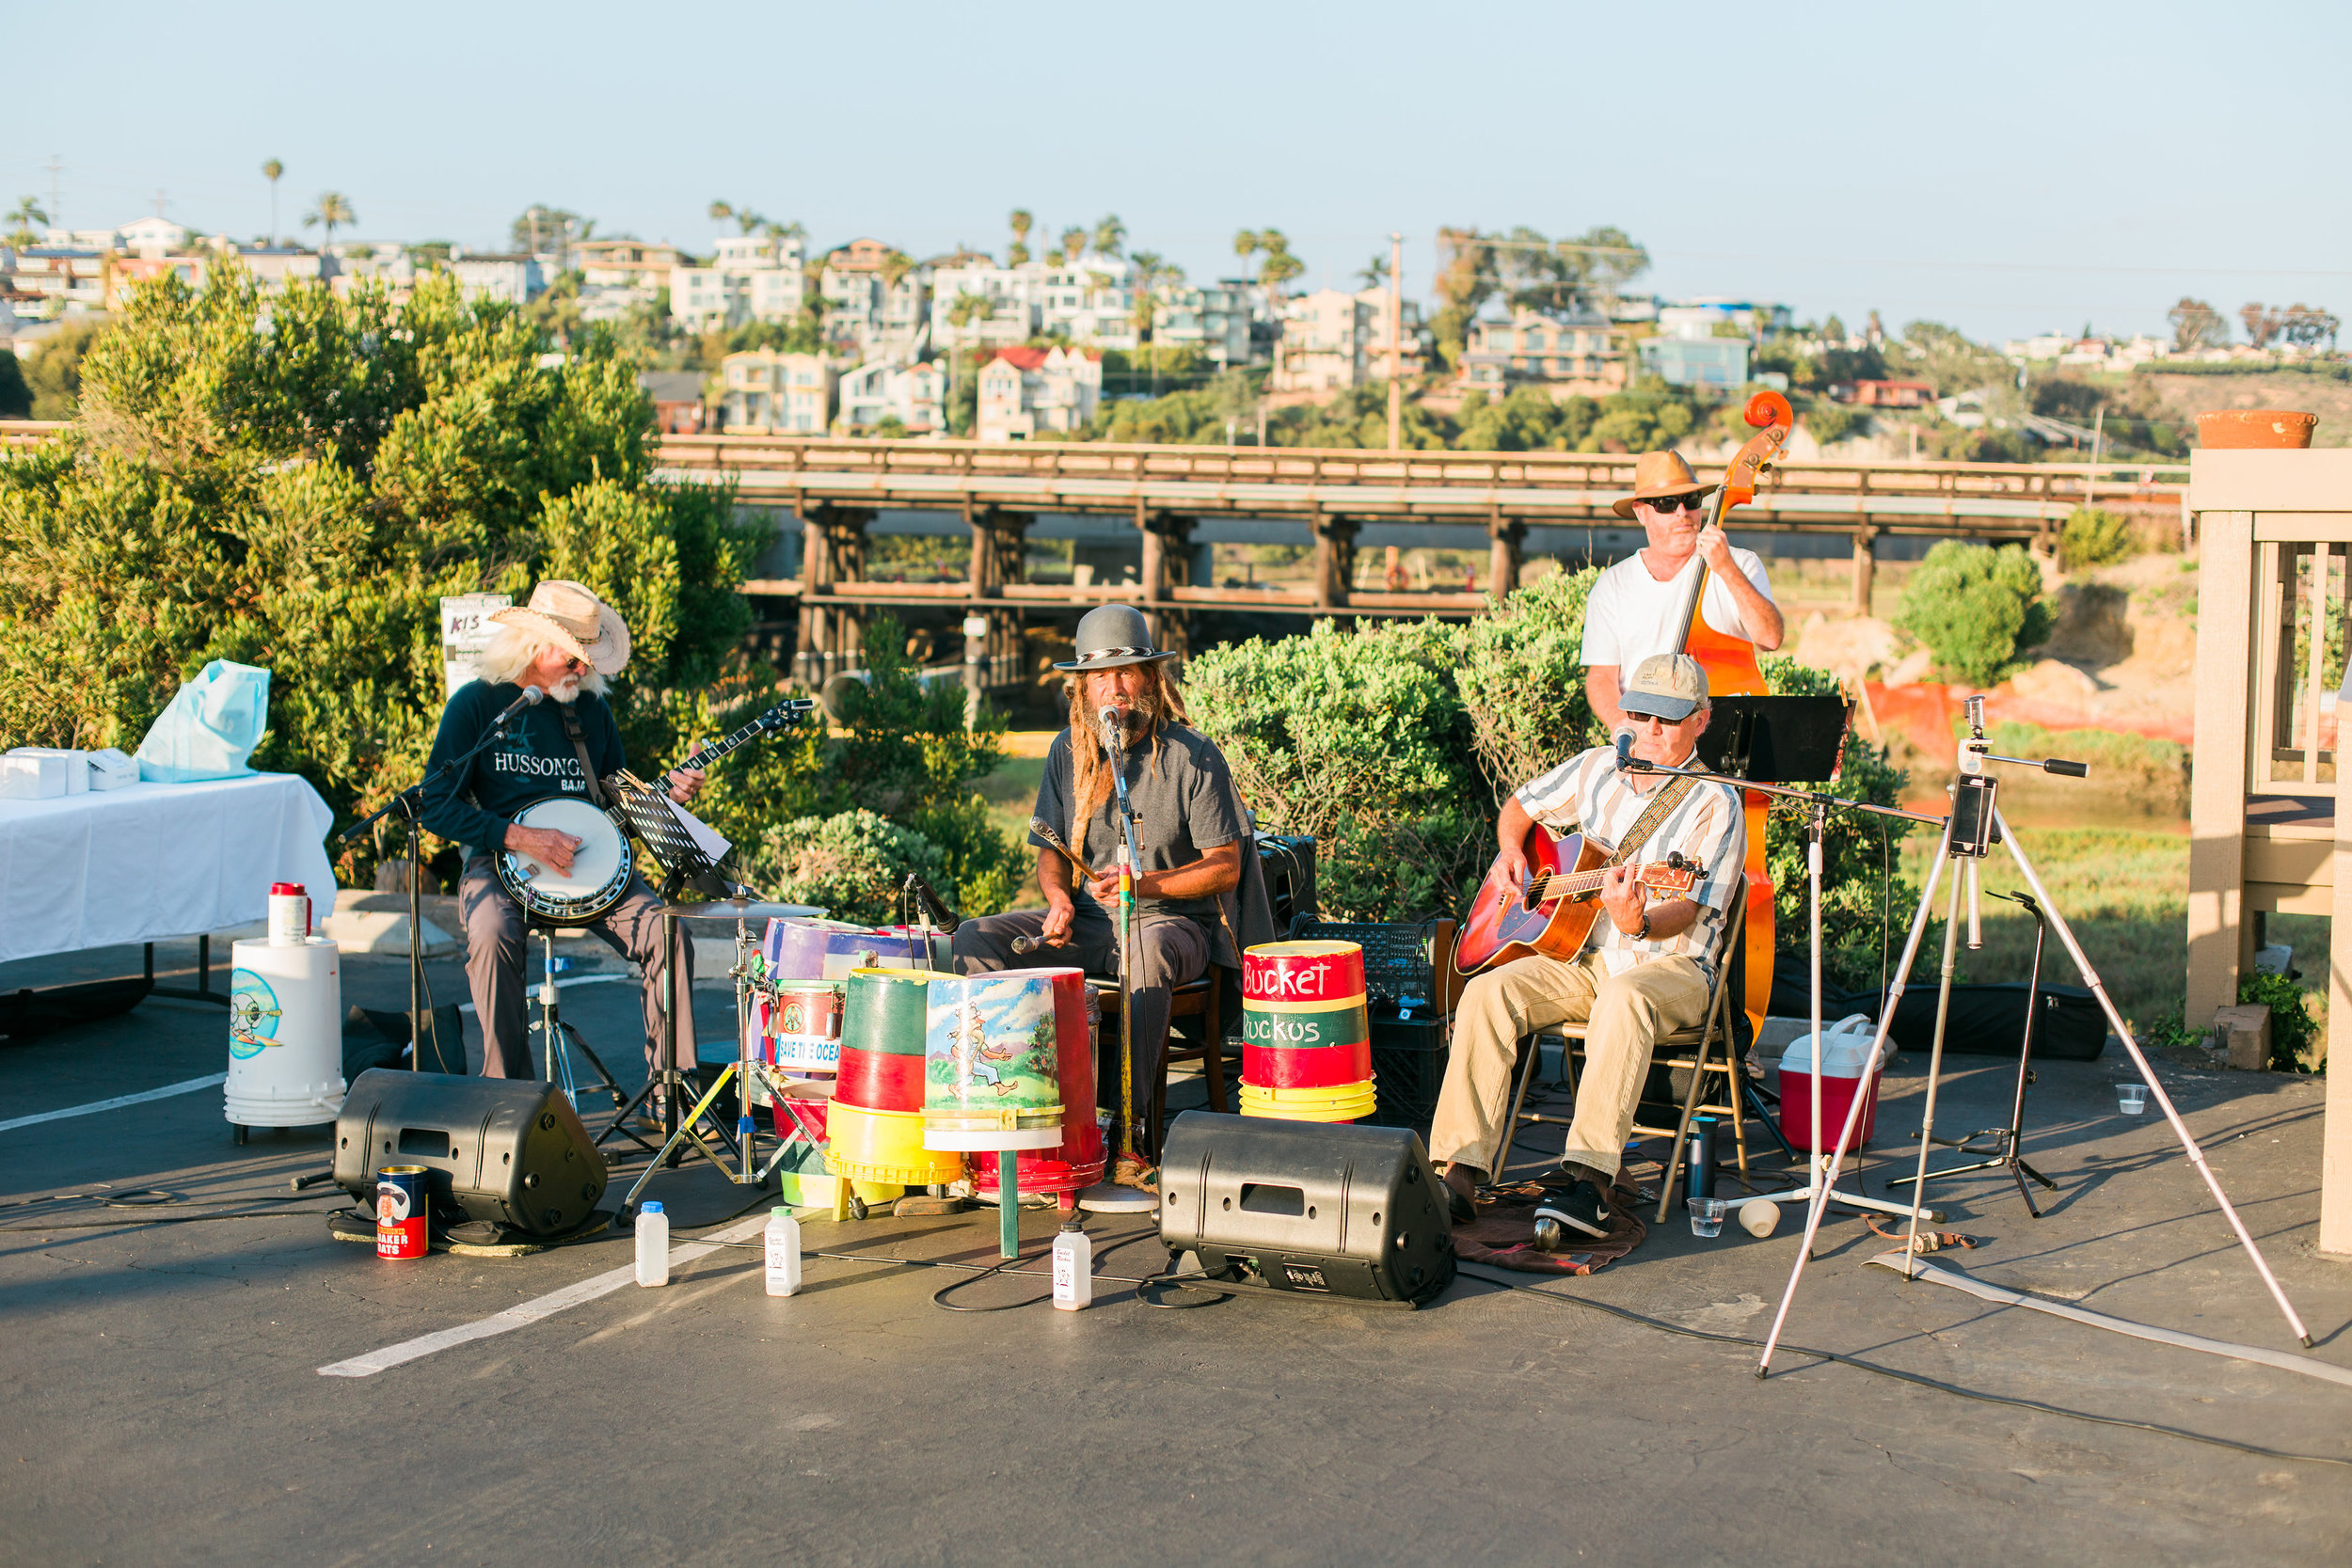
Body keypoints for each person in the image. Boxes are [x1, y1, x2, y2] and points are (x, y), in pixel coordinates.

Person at [1426, 654, 1746, 1238]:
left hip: (1674, 966)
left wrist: (1638, 922)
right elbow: (1520, 807)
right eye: (1641, 713)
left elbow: (1690, 906)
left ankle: (1591, 1182)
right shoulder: (1598, 767)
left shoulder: (1716, 803)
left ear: (1702, 720)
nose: (1649, 730)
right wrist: (1510, 855)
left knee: (1625, 998)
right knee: (1489, 992)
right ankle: (1459, 1172)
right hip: (1587, 960)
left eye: (1667, 719)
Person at [950, 604, 1269, 1165]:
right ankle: (1005, 1115)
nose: (1113, 689)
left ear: (1151, 677)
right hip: (1090, 922)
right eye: (1100, 676)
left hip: (1173, 925)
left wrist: (1143, 885)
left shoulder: (1193, 757)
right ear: (1083, 688)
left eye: (1126, 673)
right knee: (976, 937)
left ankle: (1129, 1131)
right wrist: (1057, 900)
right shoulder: (1067, 751)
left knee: (1143, 955)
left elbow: (1226, 865)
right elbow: (1050, 851)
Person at [420, 580, 704, 1088]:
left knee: (669, 931)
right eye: (573, 658)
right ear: (532, 647)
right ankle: (508, 1098)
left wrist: (665, 801)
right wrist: (516, 837)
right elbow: (435, 804)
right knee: (490, 932)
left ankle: (672, 1092)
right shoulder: (479, 705)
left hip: (594, 865)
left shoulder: (590, 710)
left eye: (588, 659)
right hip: (501, 863)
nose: (583, 669)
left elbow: (617, 801)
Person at [1582, 451, 1784, 731]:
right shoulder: (1612, 585)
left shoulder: (1741, 563)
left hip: (1725, 733)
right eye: (1666, 504)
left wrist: (1726, 568)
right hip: (1646, 737)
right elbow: (1602, 677)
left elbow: (1770, 638)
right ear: (1641, 512)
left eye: (1691, 500)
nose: (1682, 513)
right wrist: (1627, 731)